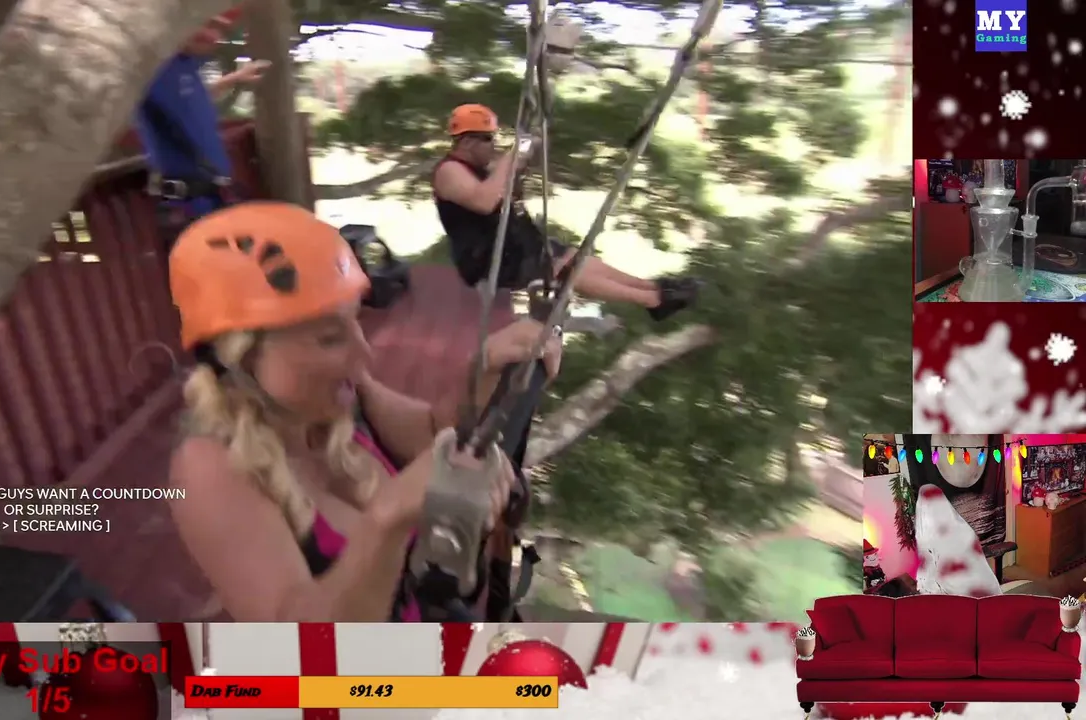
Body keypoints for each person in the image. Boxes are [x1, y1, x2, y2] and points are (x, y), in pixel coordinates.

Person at [165, 201, 564, 622]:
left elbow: (433, 433)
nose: (364, 354)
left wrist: (483, 372)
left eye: (356, 320)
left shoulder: (345, 395)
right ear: (246, 359)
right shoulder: (207, 469)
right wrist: (387, 518)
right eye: (330, 338)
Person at [433, 103, 701, 323]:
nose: (493, 145)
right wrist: (512, 155)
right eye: (488, 139)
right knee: (565, 269)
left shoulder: (480, 171)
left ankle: (652, 288)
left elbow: (503, 195)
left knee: (576, 257)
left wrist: (522, 160)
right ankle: (652, 299)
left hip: (514, 246)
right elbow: (483, 201)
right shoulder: (449, 171)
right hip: (489, 260)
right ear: (467, 141)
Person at [136, 9, 271, 248]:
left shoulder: (187, 67)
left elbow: (191, 99)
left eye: (219, 29)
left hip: (215, 201)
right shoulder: (153, 68)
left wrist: (235, 78)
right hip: (186, 206)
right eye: (205, 24)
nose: (212, 36)